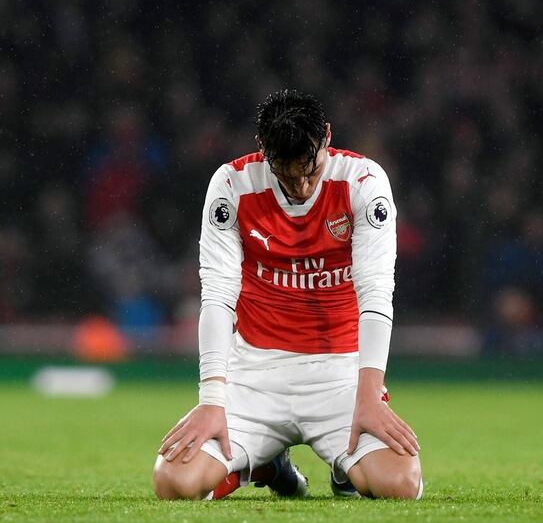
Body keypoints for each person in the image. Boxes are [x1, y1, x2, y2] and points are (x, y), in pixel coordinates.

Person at [152, 90, 422, 500]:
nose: (299, 185)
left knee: (399, 484)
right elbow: (219, 296)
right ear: (263, 150)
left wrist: (369, 394)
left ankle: (342, 470)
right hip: (255, 374)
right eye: (284, 171)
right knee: (174, 483)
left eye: (309, 170)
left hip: (341, 377)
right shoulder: (232, 185)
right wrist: (212, 399)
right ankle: (267, 463)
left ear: (327, 137)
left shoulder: (363, 183)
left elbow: (376, 292)